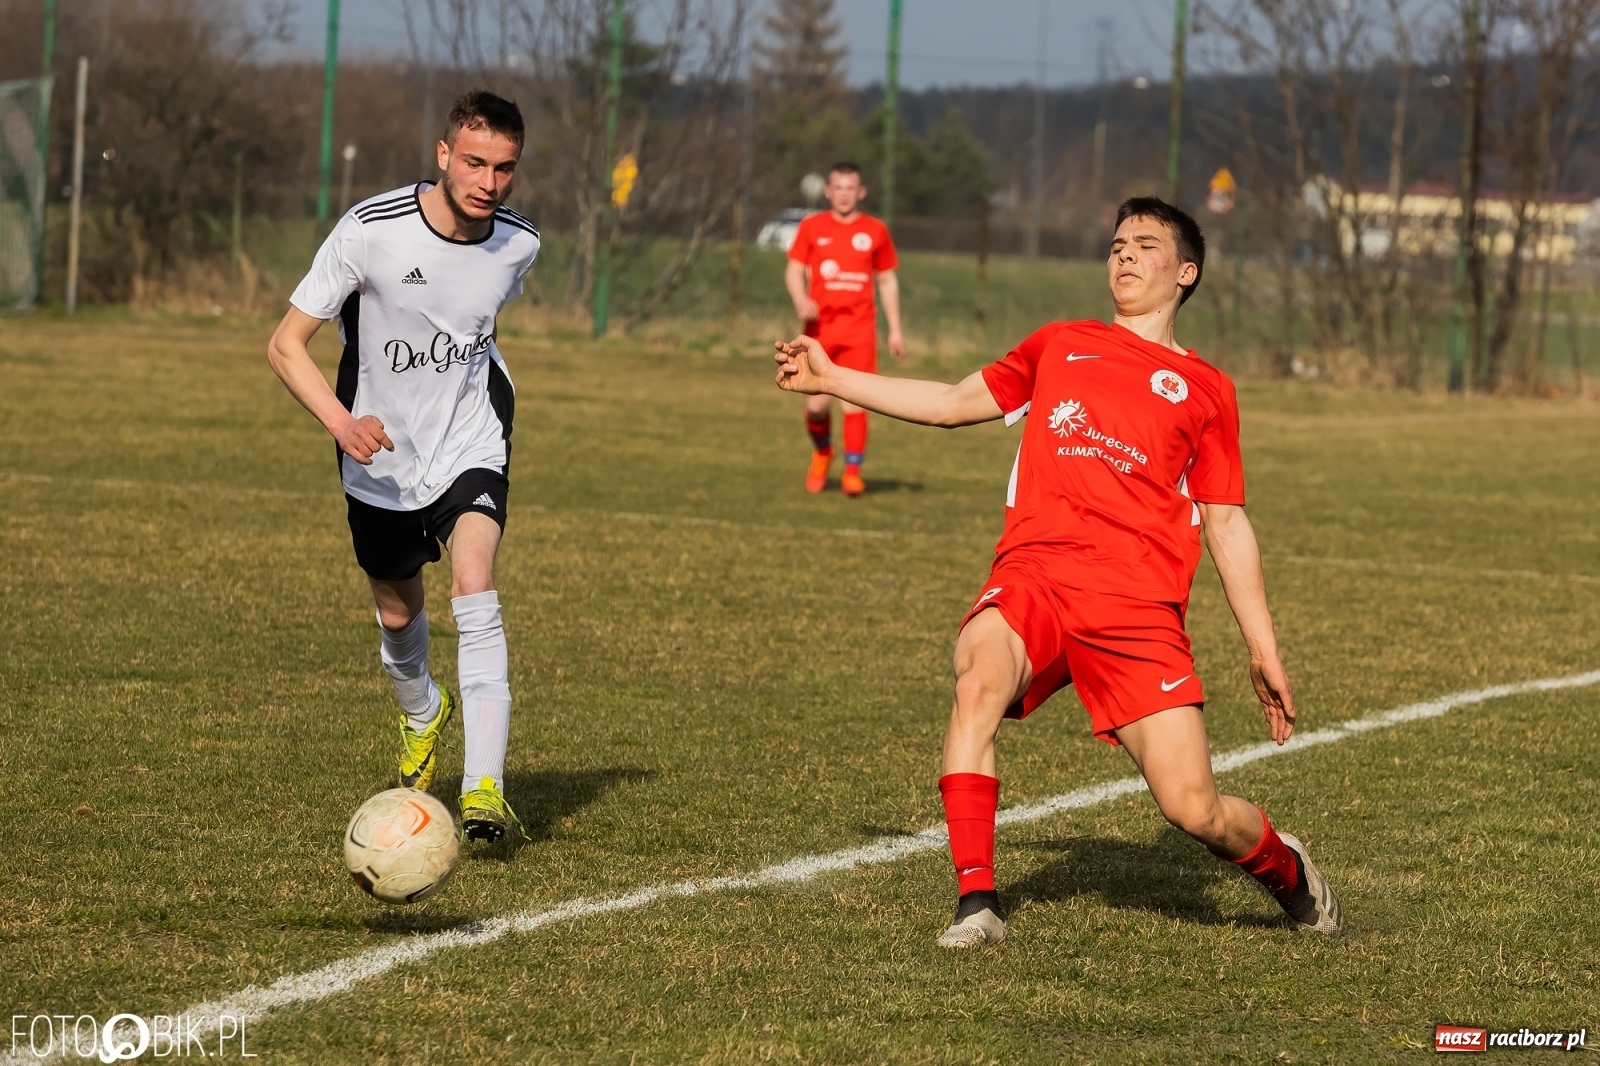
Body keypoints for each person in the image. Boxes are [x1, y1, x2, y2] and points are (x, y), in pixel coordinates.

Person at [773, 197, 1342, 946]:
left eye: (1145, 244)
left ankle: (1289, 872)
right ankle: (978, 903)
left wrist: (1263, 650)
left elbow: (1227, 523)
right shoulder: (1060, 344)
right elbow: (950, 402)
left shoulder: (1207, 391)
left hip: (1137, 607)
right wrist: (836, 377)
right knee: (977, 675)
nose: (1126, 255)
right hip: (1037, 571)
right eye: (1116, 245)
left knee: (1193, 809)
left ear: (1187, 273)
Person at [266, 90, 540, 842]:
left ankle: (484, 787)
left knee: (474, 582)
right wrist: (341, 422)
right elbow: (286, 345)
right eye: (475, 161)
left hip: (470, 437)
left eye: (505, 167)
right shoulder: (369, 231)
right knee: (398, 609)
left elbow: (475, 329)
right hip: (378, 447)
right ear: (444, 155)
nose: (489, 181)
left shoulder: (519, 244)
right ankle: (422, 710)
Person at [784, 161, 906, 496]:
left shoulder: (875, 230)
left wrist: (895, 329)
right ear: (828, 191)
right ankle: (823, 452)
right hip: (819, 332)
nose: (844, 194)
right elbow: (794, 270)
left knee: (856, 402)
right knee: (816, 406)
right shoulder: (812, 227)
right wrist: (800, 298)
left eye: (850, 188)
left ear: (860, 192)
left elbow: (887, 280)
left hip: (859, 331)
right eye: (838, 188)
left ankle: (853, 472)